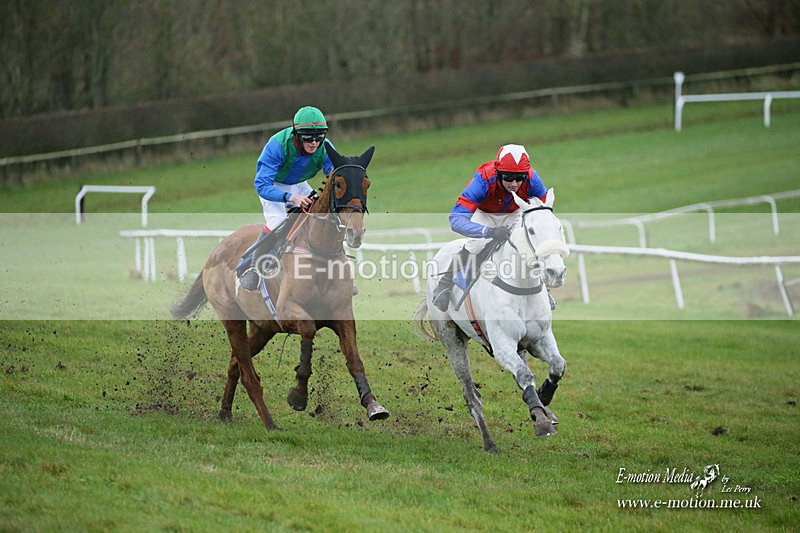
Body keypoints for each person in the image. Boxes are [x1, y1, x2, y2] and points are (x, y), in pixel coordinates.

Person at [431, 143, 556, 312]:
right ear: (498, 173)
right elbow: (456, 219)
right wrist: (488, 232)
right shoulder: (483, 179)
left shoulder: (532, 178)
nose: (514, 183)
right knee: (476, 245)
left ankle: (544, 290)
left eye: (519, 178)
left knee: (527, 243)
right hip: (486, 214)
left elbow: (543, 212)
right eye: (508, 177)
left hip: (515, 212)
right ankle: (444, 285)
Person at [239, 106, 334, 291]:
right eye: (308, 138)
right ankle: (253, 268)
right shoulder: (277, 145)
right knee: (278, 221)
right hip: (273, 185)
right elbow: (261, 184)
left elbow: (332, 168)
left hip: (299, 184)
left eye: (319, 137)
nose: (314, 143)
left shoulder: (325, 146)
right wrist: (291, 197)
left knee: (325, 215)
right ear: (296, 134)